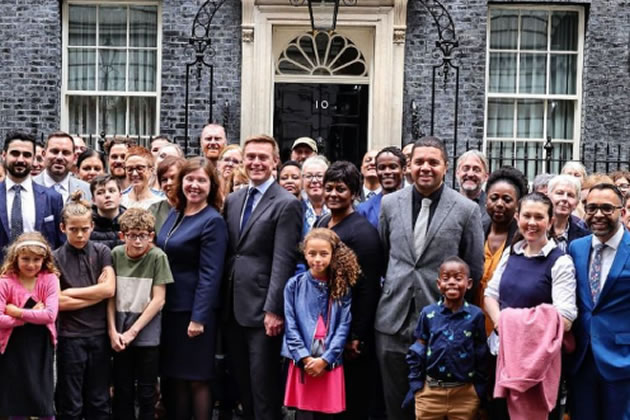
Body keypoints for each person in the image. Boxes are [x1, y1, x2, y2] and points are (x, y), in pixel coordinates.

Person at [376, 136, 484, 420]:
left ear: (445, 167)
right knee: (394, 404)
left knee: (436, 408)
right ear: (408, 166)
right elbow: (385, 255)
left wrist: (455, 315)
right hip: (392, 320)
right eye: (419, 162)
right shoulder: (389, 204)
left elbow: (473, 267)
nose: (426, 167)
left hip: (443, 325)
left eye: (433, 162)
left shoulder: (466, 209)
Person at [223, 135, 302, 420]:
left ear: (275, 162)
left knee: (263, 388)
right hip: (232, 307)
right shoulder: (233, 199)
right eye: (251, 156)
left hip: (262, 310)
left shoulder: (286, 203)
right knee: (242, 385)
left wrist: (274, 309)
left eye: (263, 157)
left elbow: (284, 259)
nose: (256, 162)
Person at [484, 192, 577, 418]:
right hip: (502, 354)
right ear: (517, 217)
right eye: (527, 216)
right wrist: (501, 323)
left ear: (551, 220)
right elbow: (490, 294)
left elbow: (564, 319)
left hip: (538, 362)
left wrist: (511, 323)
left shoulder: (560, 262)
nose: (532, 223)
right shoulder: (510, 253)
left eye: (539, 217)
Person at [156, 157, 227, 420]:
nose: (194, 185)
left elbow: (211, 273)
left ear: (211, 185)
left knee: (197, 379)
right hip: (170, 308)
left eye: (201, 180)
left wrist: (199, 317)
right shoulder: (175, 213)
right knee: (175, 378)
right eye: (189, 179)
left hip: (194, 314)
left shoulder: (212, 221)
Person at [315, 161, 384, 420]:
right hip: (322, 324)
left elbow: (367, 289)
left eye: (340, 189)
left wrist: (357, 335)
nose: (333, 194)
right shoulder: (323, 222)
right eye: (329, 188)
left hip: (348, 328)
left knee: (348, 400)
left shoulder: (363, 233)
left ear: (354, 193)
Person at [568, 183, 630, 419]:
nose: (598, 215)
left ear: (622, 212)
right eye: (591, 208)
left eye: (606, 208)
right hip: (582, 360)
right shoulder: (577, 248)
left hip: (623, 361)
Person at [283, 228, 359, 419]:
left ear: (333, 255)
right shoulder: (294, 285)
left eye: (324, 254)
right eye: (312, 254)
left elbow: (343, 326)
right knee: (304, 413)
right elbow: (290, 325)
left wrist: (326, 359)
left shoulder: (341, 286)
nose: (317, 259)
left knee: (327, 413)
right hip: (303, 359)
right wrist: (305, 358)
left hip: (328, 358)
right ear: (305, 254)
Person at [55, 191, 116, 420]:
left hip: (99, 334)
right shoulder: (55, 257)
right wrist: (96, 294)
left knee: (99, 400)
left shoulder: (102, 252)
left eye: (84, 229)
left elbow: (109, 290)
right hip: (70, 337)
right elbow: (57, 301)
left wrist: (71, 292)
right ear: (63, 228)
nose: (80, 234)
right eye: (73, 229)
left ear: (92, 226)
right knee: (71, 402)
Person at [108, 208, 174, 420]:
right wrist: (112, 331)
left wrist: (133, 331)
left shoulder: (157, 257)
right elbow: (110, 295)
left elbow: (159, 299)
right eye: (132, 235)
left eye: (143, 235)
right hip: (119, 330)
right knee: (122, 387)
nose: (137, 241)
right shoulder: (116, 254)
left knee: (147, 389)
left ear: (151, 236)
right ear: (122, 235)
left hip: (146, 332)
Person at [405, 256, 488, 420]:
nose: (451, 282)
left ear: (469, 284)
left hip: (464, 395)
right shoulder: (428, 314)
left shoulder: (476, 315)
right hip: (430, 393)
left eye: (458, 278)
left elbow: (481, 353)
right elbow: (417, 349)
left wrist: (478, 389)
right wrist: (416, 386)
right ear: (438, 284)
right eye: (446, 278)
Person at [0, 232, 59, 419]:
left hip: (41, 346)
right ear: (15, 258)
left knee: (43, 400)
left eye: (36, 259)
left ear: (44, 259)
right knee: (16, 401)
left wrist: (17, 312)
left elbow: (50, 315)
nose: (31, 264)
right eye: (25, 259)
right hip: (13, 346)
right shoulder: (5, 282)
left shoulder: (49, 279)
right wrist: (27, 318)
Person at [477, 167, 528, 332]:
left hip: (505, 324)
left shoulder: (524, 239)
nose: (499, 204)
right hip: (473, 320)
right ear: (486, 201)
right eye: (494, 198)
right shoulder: (475, 230)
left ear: (517, 204)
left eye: (507, 199)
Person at [0, 131, 64, 259]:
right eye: (15, 153)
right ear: (3, 155)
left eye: (27, 155)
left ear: (34, 158)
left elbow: (60, 245)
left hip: (39, 274)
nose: (20, 159)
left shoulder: (52, 198)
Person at [33, 131, 92, 201]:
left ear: (74, 157)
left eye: (66, 153)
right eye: (55, 151)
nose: (59, 157)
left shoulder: (87, 190)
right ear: (44, 154)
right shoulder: (29, 187)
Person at [356, 146, 406, 228]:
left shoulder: (413, 204)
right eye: (382, 168)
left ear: (404, 169)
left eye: (393, 167)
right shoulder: (364, 209)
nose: (387, 172)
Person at [548, 175, 590, 252]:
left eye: (570, 195)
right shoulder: (537, 230)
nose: (564, 199)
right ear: (548, 197)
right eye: (559, 193)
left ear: (576, 203)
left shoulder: (584, 236)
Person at [149, 156, 186, 235]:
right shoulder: (154, 210)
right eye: (164, 180)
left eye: (173, 178)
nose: (169, 183)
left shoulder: (195, 208)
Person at [90, 174, 126, 249]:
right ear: (93, 200)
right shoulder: (87, 225)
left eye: (111, 191)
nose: (107, 195)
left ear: (120, 195)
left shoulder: (131, 223)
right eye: (100, 192)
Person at [456, 150, 490, 223]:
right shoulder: (445, 203)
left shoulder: (491, 206)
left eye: (476, 170)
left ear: (486, 176)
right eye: (466, 169)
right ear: (457, 173)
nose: (470, 174)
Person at [301, 156, 330, 236]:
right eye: (309, 176)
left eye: (319, 176)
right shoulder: (296, 206)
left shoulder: (336, 204)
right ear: (302, 179)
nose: (314, 181)